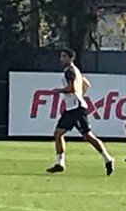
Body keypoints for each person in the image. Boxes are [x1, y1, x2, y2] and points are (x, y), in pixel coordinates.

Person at [47, 48, 114, 176]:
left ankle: (108, 158)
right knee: (58, 134)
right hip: (71, 108)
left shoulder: (70, 71)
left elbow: (71, 88)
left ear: (71, 58)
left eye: (64, 56)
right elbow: (86, 84)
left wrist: (59, 90)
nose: (61, 59)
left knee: (87, 136)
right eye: (61, 56)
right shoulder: (75, 70)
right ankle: (60, 163)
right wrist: (80, 94)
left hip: (77, 109)